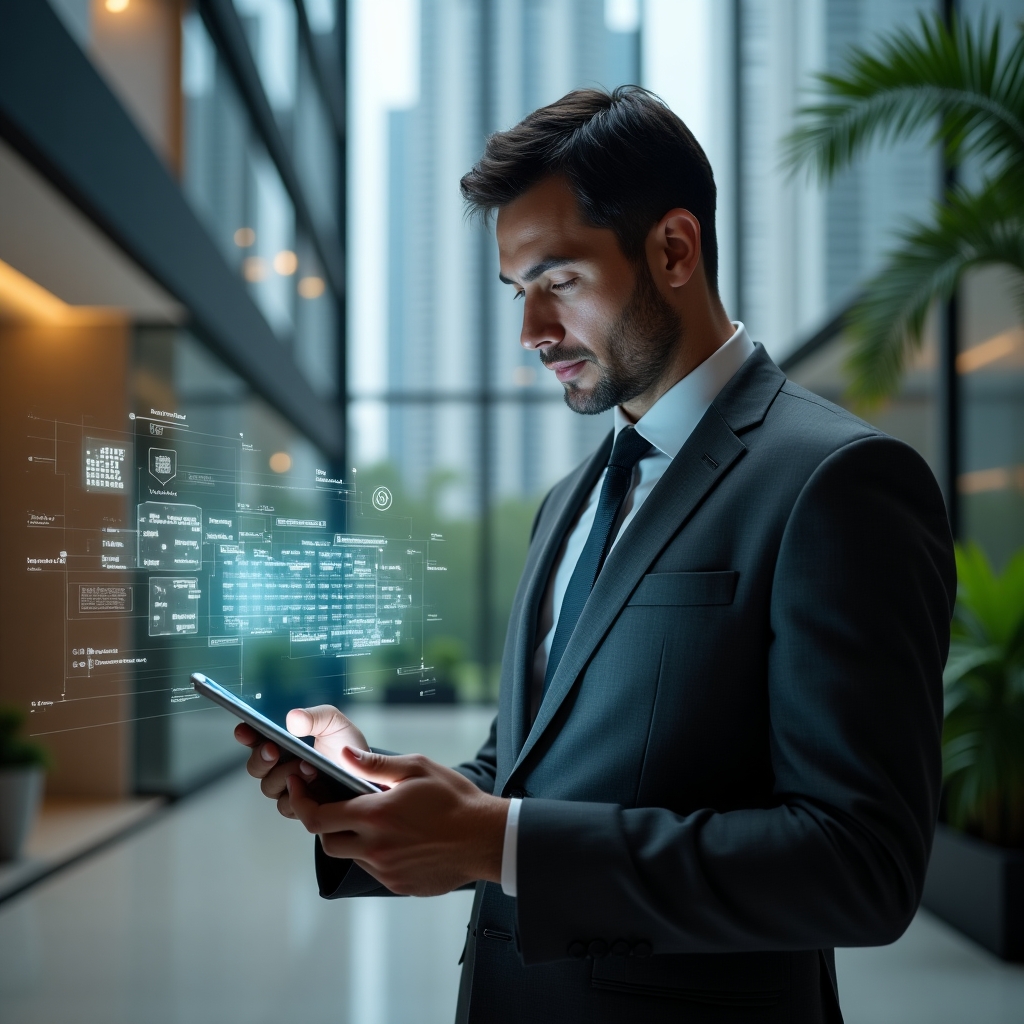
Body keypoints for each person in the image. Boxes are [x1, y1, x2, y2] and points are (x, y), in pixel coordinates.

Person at [235, 86, 955, 1023]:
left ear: (675, 249)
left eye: (559, 280)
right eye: (518, 291)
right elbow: (519, 779)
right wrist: (373, 790)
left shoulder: (840, 482)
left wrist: (502, 844)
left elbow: (860, 866)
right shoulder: (567, 505)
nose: (532, 332)